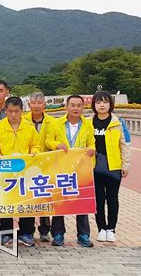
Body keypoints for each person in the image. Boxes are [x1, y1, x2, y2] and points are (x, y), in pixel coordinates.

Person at [0, 96, 40, 247]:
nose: (13, 115)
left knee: (26, 201)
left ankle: (26, 232)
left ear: (22, 111)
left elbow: (35, 144)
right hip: (5, 169)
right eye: (10, 111)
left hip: (25, 169)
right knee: (7, 202)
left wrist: (34, 153)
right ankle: (6, 233)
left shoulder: (29, 127)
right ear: (5, 111)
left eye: (16, 111)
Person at [46, 95, 96, 248]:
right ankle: (58, 234)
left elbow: (92, 144)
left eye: (79, 105)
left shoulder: (88, 125)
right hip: (61, 168)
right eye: (72, 105)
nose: (75, 108)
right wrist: (57, 145)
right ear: (66, 107)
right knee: (59, 201)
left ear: (83, 107)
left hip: (81, 170)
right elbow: (48, 141)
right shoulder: (56, 123)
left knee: (82, 202)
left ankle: (83, 234)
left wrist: (91, 151)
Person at [91, 91, 131, 243]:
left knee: (112, 198)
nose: (102, 105)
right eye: (98, 102)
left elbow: (125, 144)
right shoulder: (89, 122)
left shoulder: (118, 122)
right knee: (98, 199)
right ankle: (101, 228)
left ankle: (111, 229)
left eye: (105, 102)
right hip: (94, 167)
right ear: (94, 105)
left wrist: (125, 164)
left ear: (110, 104)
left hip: (113, 166)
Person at [23, 92, 56, 242]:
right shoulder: (23, 121)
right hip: (27, 165)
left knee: (44, 197)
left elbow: (54, 140)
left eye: (39, 103)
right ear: (29, 105)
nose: (36, 106)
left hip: (46, 164)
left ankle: (44, 230)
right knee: (28, 198)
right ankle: (28, 230)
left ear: (44, 104)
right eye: (33, 103)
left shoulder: (52, 122)